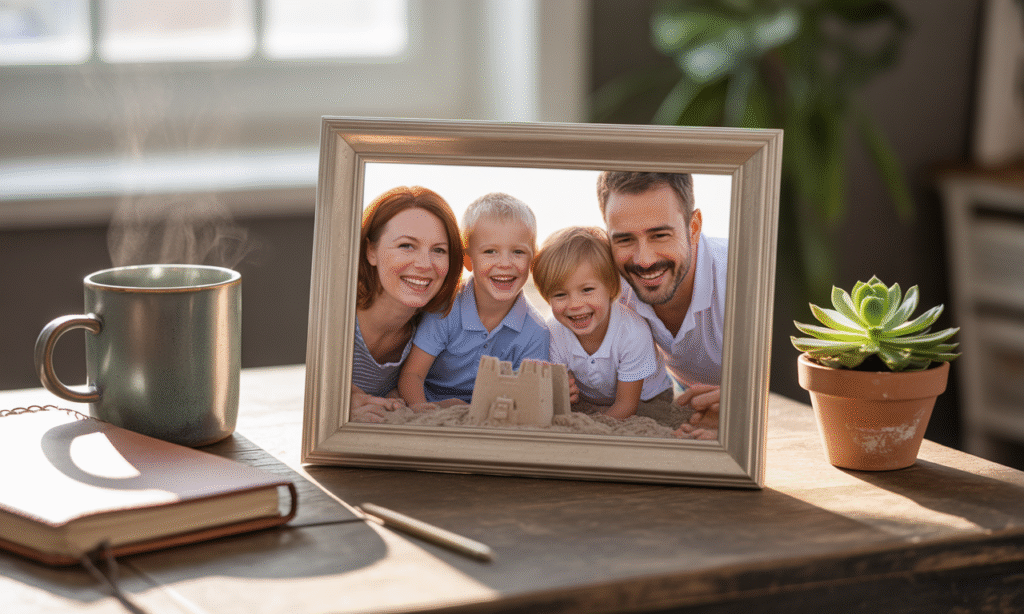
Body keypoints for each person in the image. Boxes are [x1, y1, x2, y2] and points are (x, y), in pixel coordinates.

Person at [597, 171, 727, 437]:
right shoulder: (609, 287)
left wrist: (743, 412)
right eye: (624, 239)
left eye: (659, 235)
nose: (644, 260)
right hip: (682, 401)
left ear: (693, 227)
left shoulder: (738, 278)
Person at [398, 192, 549, 408]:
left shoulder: (536, 331)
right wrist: (423, 411)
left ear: (532, 259)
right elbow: (412, 375)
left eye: (518, 252)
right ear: (468, 260)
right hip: (429, 401)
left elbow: (528, 396)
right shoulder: (446, 308)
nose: (505, 263)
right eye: (490, 251)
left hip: (490, 411)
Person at [532, 226, 673, 421]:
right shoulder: (554, 332)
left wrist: (591, 426)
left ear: (611, 288)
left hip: (646, 398)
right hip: (594, 398)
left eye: (587, 290)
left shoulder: (632, 333)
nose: (575, 305)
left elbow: (626, 406)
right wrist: (564, 391)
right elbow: (561, 389)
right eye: (560, 295)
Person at [350, 186, 464, 422]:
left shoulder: (431, 332)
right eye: (406, 245)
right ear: (371, 251)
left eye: (439, 250)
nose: (424, 264)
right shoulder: (337, 316)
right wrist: (332, 400)